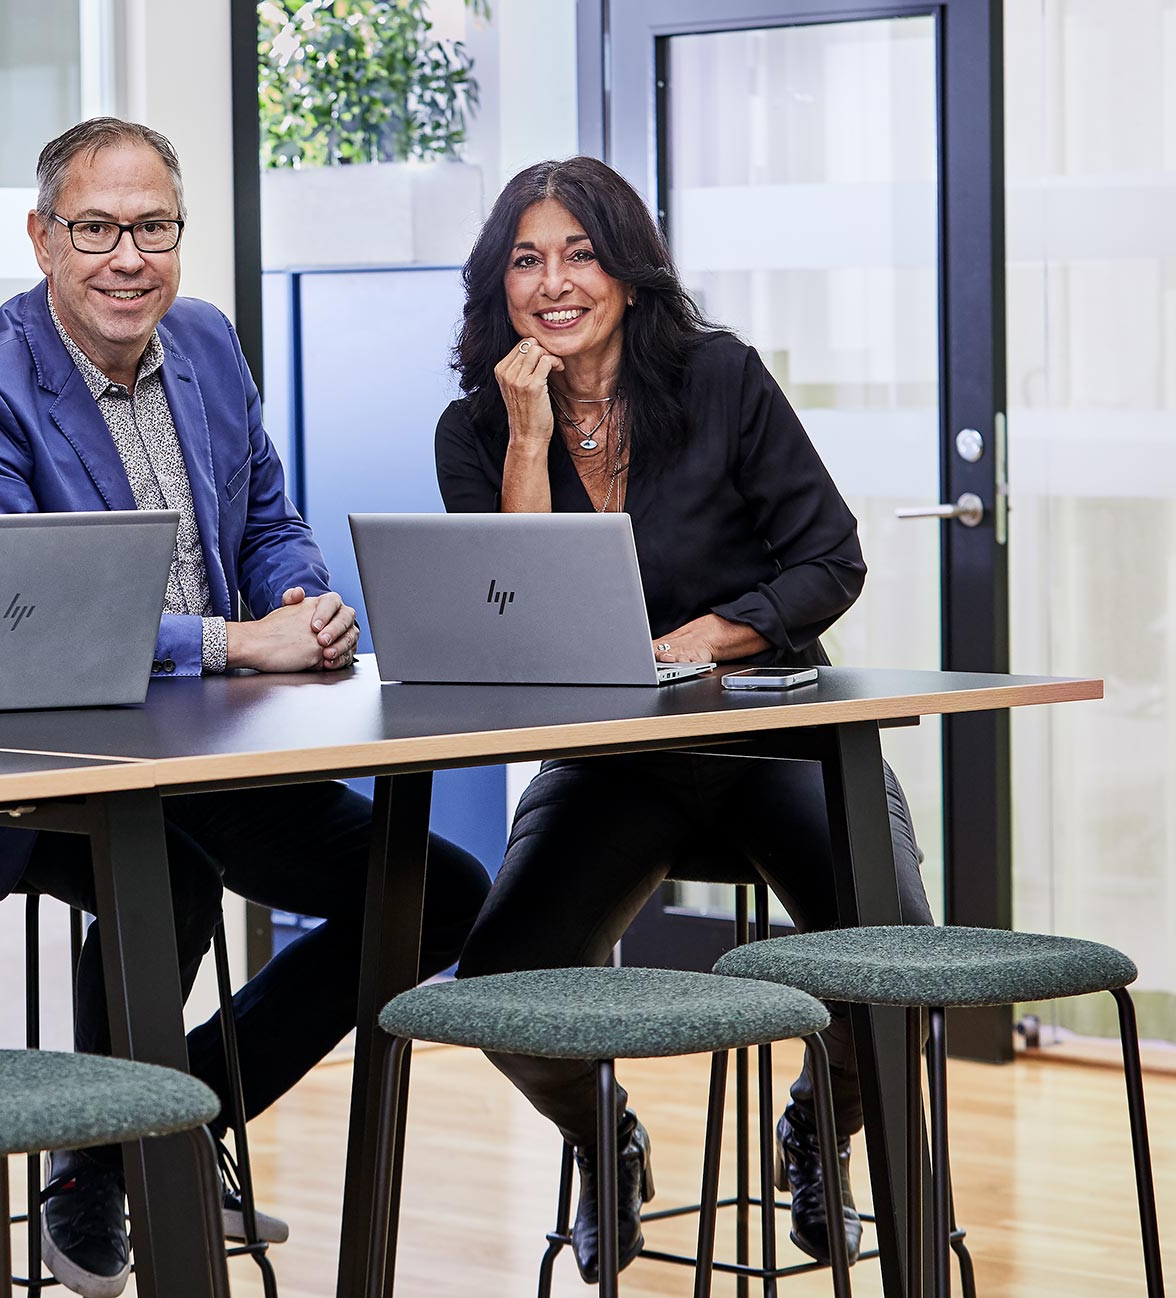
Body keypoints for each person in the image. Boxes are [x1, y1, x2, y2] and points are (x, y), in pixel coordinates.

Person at [0, 117, 492, 1298]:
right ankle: (105, 1163)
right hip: (57, 770)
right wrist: (238, 640)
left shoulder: (207, 344)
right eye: (95, 229)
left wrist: (301, 591)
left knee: (440, 891)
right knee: (163, 870)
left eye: (153, 228)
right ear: (41, 237)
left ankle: (140, 1133)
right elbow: (32, 618)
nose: (128, 257)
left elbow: (263, 512)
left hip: (220, 752)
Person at [435, 155, 932, 1286]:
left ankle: (818, 1126)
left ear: (627, 269)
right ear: (495, 283)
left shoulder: (720, 379)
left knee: (898, 963)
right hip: (613, 763)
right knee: (500, 988)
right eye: (524, 259)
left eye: (578, 253)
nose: (552, 282)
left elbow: (827, 559)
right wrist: (525, 439)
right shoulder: (472, 428)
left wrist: (702, 635)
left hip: (771, 734)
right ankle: (600, 1135)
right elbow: (518, 621)